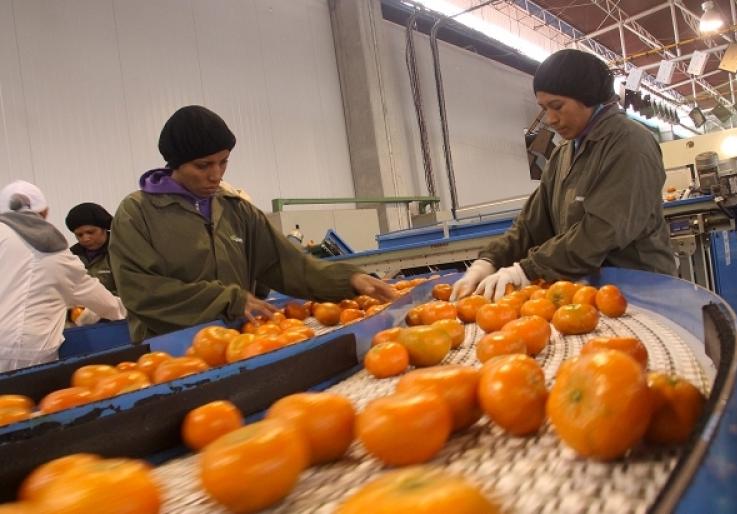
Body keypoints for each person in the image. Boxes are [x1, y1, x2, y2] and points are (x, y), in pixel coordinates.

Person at [110, 105, 397, 342]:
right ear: (175, 164)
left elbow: (289, 265)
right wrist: (228, 300)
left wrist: (349, 279)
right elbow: (142, 292)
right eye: (203, 166)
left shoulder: (236, 210)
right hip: (171, 354)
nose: (216, 175)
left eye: (223, 162)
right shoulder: (138, 214)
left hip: (240, 343)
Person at [452, 49, 676, 301]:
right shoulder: (564, 154)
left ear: (588, 97)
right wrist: (489, 261)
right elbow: (531, 225)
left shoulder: (629, 144)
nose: (551, 119)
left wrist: (525, 270)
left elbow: (602, 231)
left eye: (557, 106)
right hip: (587, 293)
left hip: (640, 292)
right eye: (544, 108)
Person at [0, 180, 127, 372]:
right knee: (23, 400)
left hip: (21, 346)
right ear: (44, 212)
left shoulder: (119, 250)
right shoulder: (52, 249)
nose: (85, 238)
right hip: (27, 352)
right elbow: (100, 299)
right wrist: (127, 311)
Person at [65, 202, 117, 295]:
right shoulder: (71, 256)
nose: (85, 238)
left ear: (104, 228)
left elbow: (130, 290)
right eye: (79, 235)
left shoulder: (120, 252)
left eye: (90, 232)